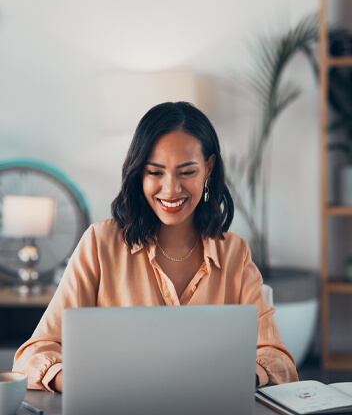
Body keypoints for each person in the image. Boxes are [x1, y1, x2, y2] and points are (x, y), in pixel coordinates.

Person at [13, 101, 298, 392]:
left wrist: (233, 378)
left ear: (208, 168)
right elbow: (33, 355)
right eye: (155, 172)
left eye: (186, 172)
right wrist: (81, 381)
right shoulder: (99, 244)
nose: (171, 189)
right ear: (138, 173)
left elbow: (277, 359)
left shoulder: (235, 254)